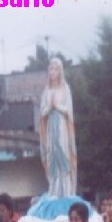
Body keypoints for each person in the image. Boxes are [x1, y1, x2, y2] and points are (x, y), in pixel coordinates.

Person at [39, 57, 76, 197]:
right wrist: (49, 108)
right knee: (52, 154)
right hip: (50, 127)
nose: (53, 72)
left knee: (63, 155)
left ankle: (66, 190)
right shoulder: (46, 90)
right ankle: (54, 189)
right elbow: (42, 112)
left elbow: (69, 110)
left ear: (60, 71)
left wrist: (57, 106)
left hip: (61, 126)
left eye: (55, 69)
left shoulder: (65, 89)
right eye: (51, 69)